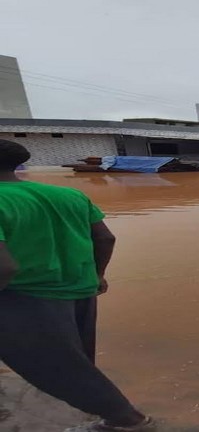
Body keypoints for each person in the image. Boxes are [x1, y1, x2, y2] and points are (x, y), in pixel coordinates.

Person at [0, 140, 154, 432]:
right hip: (79, 289)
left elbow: (4, 266)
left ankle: (127, 421)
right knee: (74, 358)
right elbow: (106, 238)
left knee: (56, 366)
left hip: (24, 295)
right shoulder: (69, 194)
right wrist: (98, 275)